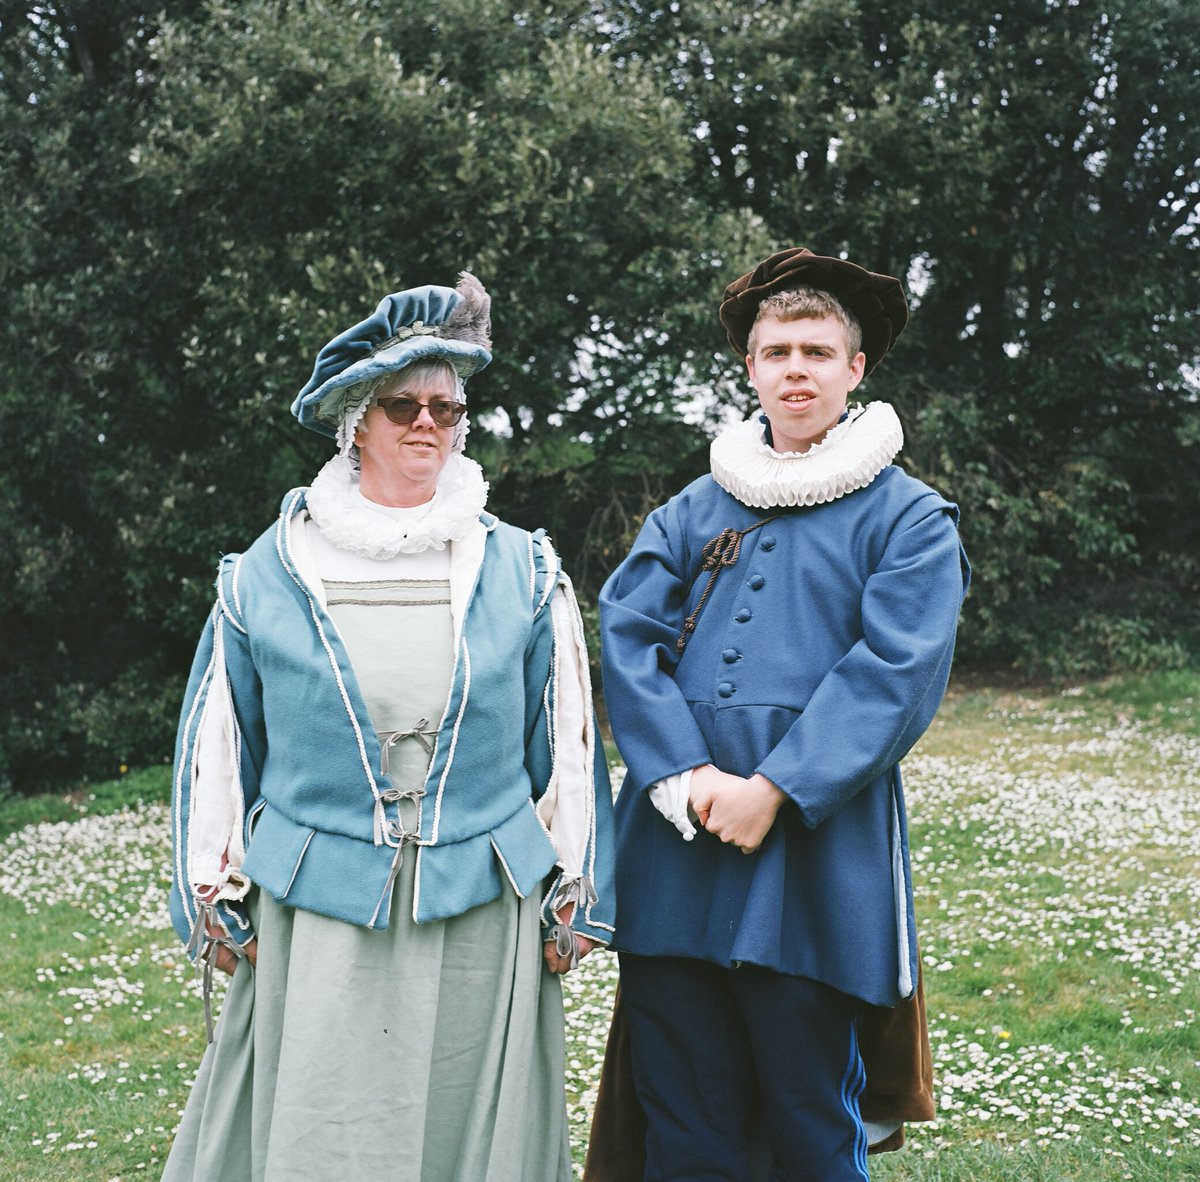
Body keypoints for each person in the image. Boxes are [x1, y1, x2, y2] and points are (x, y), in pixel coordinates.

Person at [163, 272, 614, 1182]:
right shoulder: (269, 572)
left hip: (479, 901)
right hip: (319, 906)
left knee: (465, 1126)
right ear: (356, 422)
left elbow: (563, 744)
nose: (426, 426)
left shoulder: (521, 569)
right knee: (328, 1125)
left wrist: (575, 891)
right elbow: (220, 745)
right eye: (403, 405)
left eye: (446, 411)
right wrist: (210, 886)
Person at [594, 247, 970, 1181]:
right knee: (682, 1119)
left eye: (814, 350)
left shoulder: (912, 518)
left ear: (855, 369)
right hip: (675, 846)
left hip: (814, 856)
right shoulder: (693, 505)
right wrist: (682, 776)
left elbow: (897, 669)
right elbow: (627, 630)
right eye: (775, 351)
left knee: (810, 1115)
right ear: (751, 369)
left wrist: (776, 787)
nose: (794, 368)